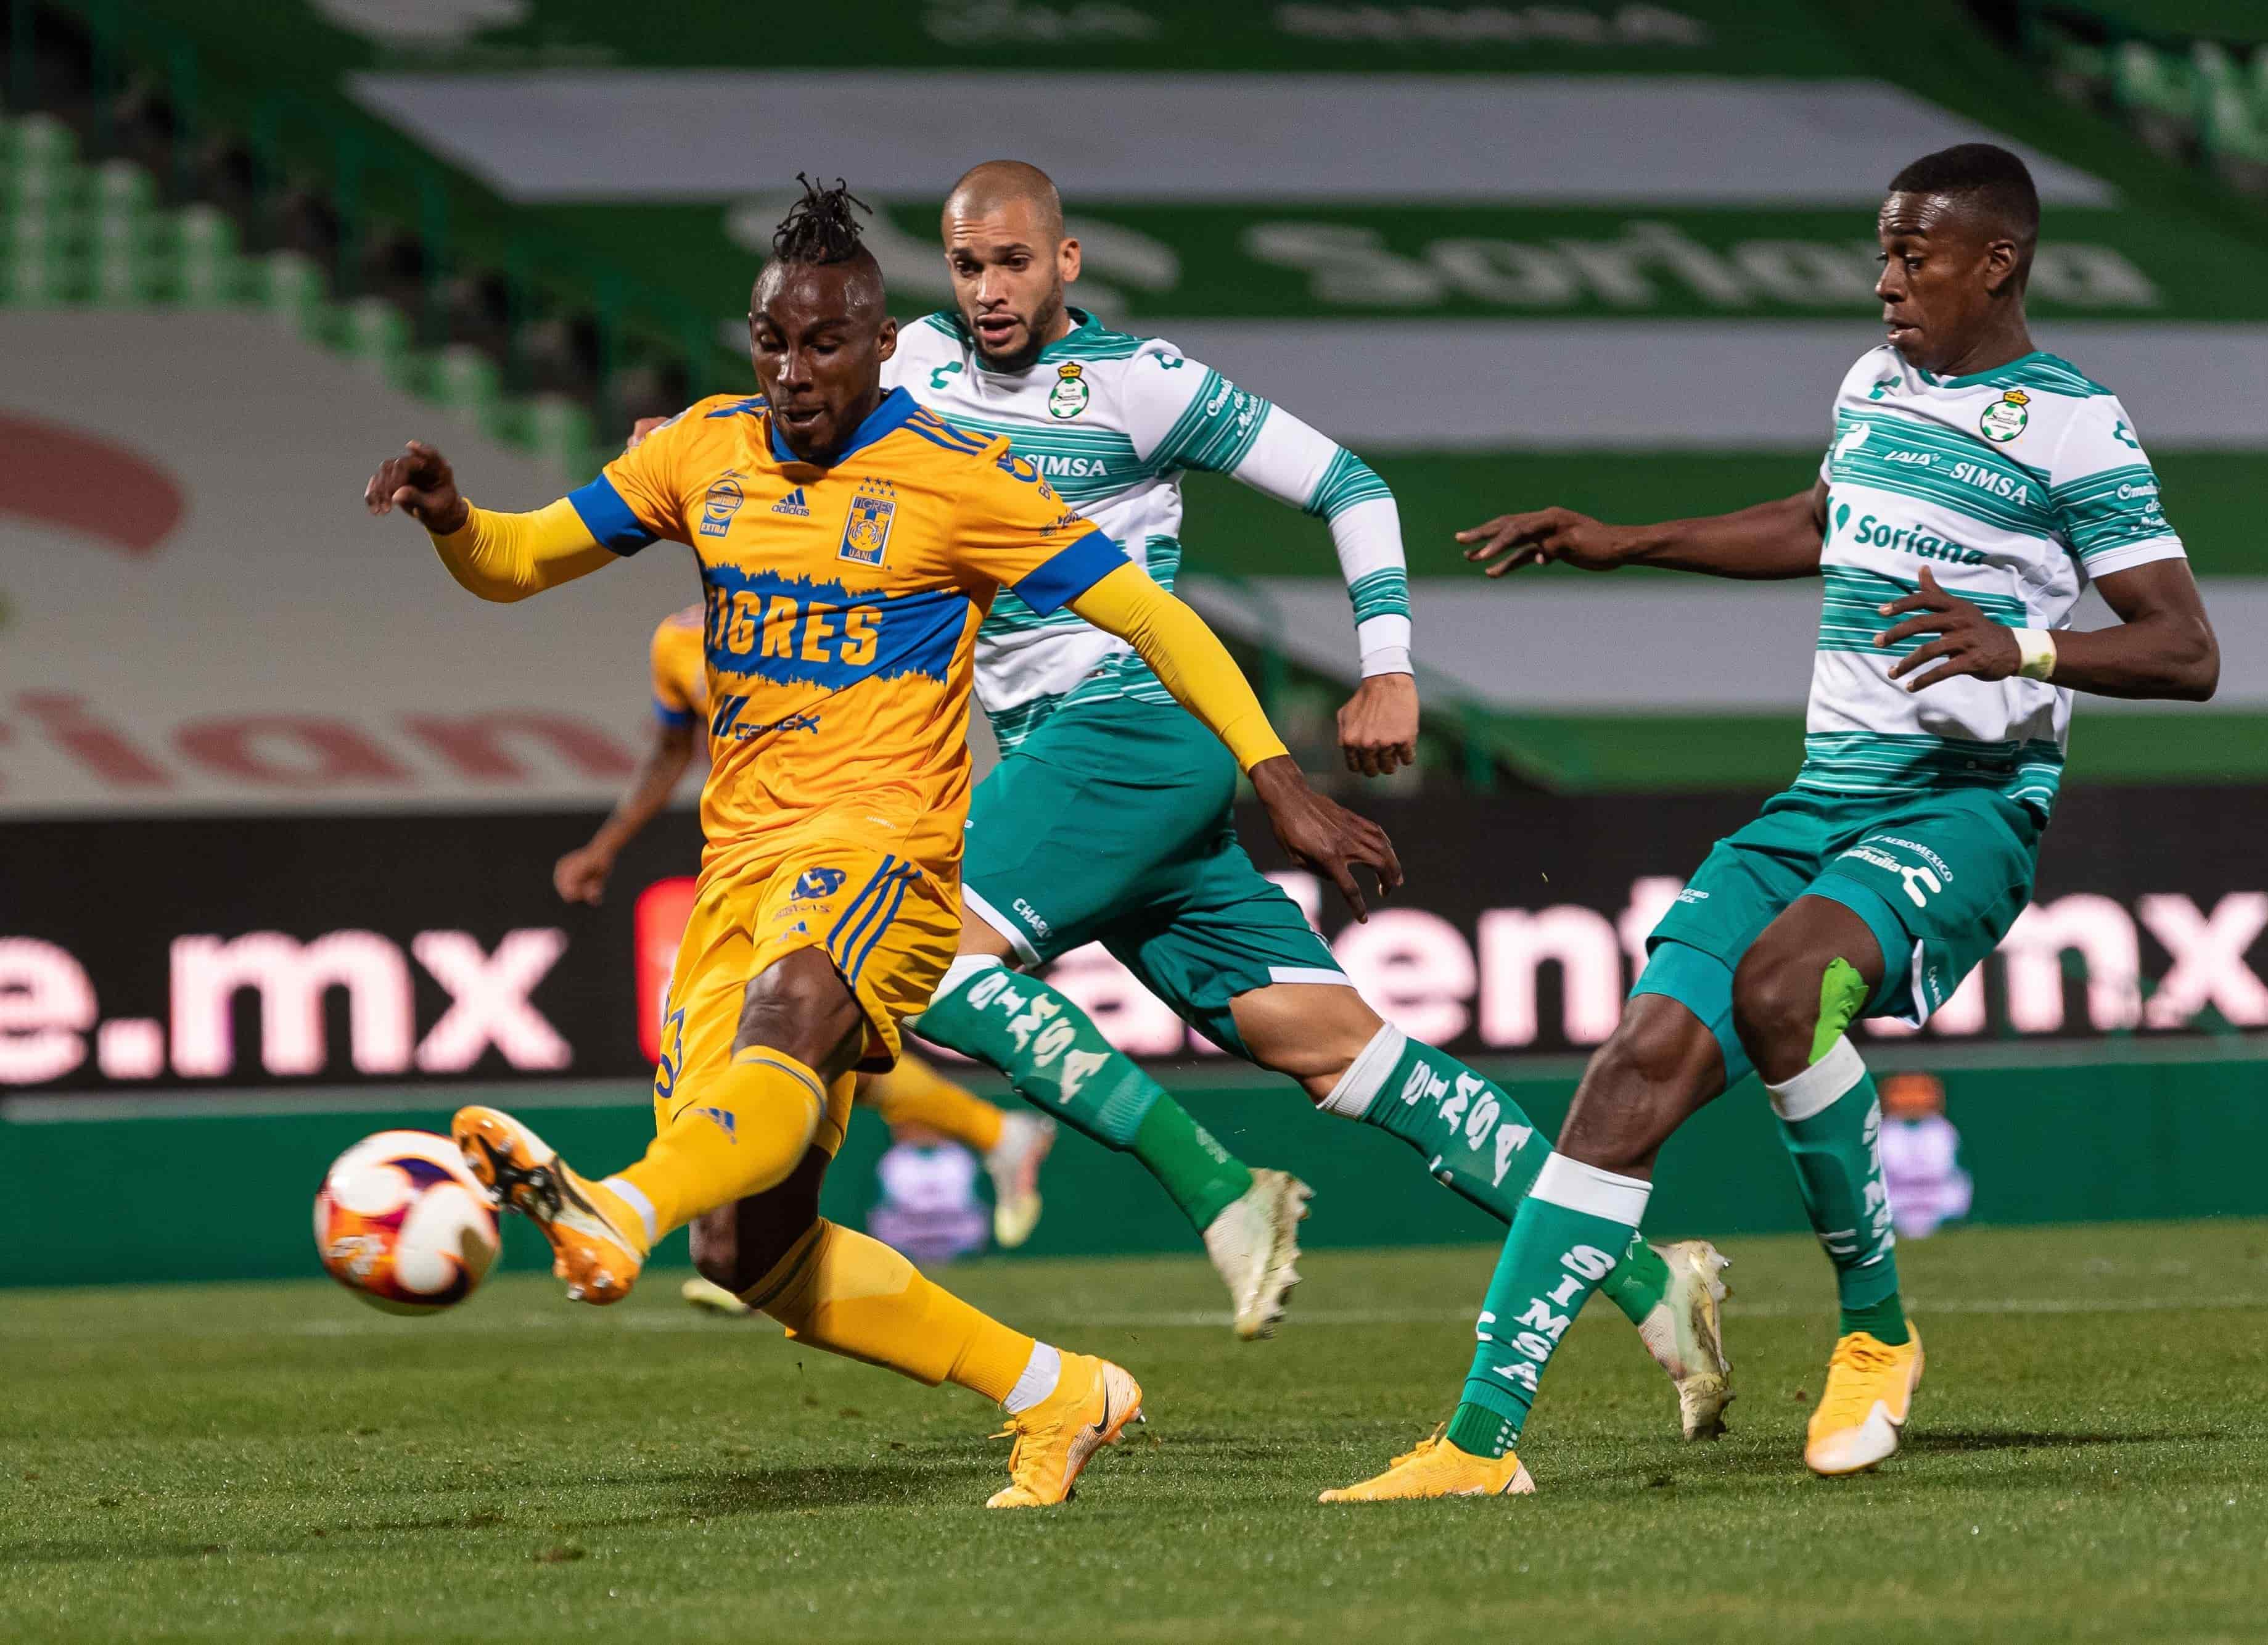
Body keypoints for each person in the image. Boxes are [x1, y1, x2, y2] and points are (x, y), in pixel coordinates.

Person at [362, 176, 1397, 1508]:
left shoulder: (959, 483)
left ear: (880, 340)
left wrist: (1280, 781)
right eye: (773, 343)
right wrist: (454, 518)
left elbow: (1157, 619)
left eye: (826, 344)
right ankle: (1057, 1391)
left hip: (886, 854)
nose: (795, 372)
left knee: (796, 1008)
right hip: (738, 865)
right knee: (750, 1248)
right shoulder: (699, 453)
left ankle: (615, 1208)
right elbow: (519, 559)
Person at [768, 159, 1729, 1429]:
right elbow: (800, 424)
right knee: (1347, 1053)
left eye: (1012, 262)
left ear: (1066, 263)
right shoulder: (914, 371)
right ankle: (1657, 1281)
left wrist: (1386, 669)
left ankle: (1215, 1182)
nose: (988, 289)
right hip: (1080, 773)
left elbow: (1352, 488)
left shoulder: (1143, 384)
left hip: (1130, 728)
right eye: (965, 266)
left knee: (920, 946)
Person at [1327, 142, 2219, 1499]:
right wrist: (1628, 540)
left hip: (1965, 805)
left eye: (1912, 256)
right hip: (1819, 797)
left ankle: (1871, 1333)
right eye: (1881, 254)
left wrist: (2021, 648)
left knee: (1784, 983)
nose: (1884, 283)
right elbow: (1817, 521)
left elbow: (2183, 650)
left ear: (1996, 261)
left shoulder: (2072, 425)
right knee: (1634, 1060)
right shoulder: (1873, 386)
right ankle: (1475, 1444)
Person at [554, 604, 1059, 1306]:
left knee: (798, 1039)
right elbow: (673, 751)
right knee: (799, 1048)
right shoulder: (674, 641)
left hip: (859, 848)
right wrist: (606, 847)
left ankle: (732, 1219)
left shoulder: (835, 608)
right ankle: (995, 1136)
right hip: (752, 858)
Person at [1876, 1072, 1971, 1239]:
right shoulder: (1884, 1133)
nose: (1912, 1102)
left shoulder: (1943, 1131)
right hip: (1898, 1200)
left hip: (1936, 1199)